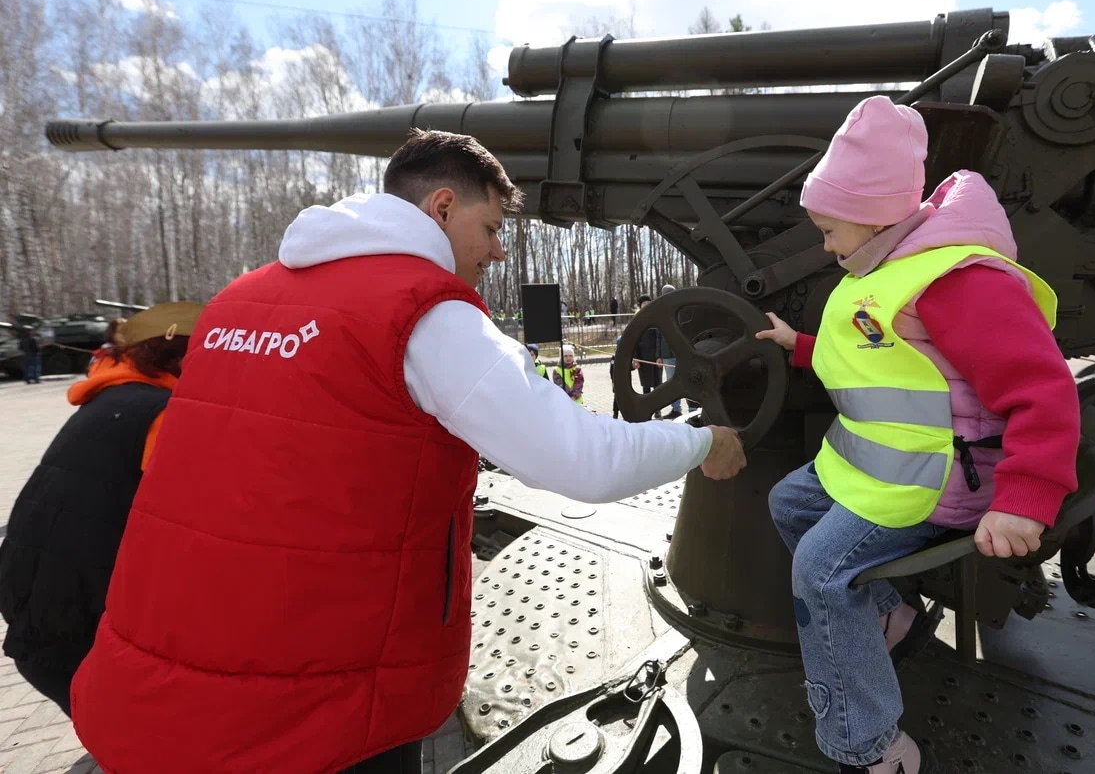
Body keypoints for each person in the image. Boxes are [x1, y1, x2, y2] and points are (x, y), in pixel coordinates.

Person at [69, 129, 747, 774]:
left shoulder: (234, 303)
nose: (498, 253)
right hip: (317, 713)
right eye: (490, 228)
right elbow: (580, 457)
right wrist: (699, 441)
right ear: (442, 206)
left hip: (157, 689)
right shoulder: (424, 314)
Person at [754, 96, 1080, 774]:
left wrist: (1024, 497)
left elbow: (1043, 389)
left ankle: (869, 745)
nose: (825, 246)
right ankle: (888, 618)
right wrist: (799, 344)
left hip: (941, 485)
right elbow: (877, 352)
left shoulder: (956, 280)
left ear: (873, 219)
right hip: (891, 474)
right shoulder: (890, 272)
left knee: (819, 570)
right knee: (790, 501)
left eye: (829, 230)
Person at [0, 301, 204, 718]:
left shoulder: (115, 397)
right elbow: (193, 526)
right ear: (182, 357)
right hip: (84, 634)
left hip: (36, 609)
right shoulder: (162, 414)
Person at [655, 283, 682, 418]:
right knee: (672, 382)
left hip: (682, 353)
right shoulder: (661, 312)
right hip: (667, 353)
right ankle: (676, 409)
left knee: (687, 378)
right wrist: (658, 355)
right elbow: (659, 336)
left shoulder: (681, 310)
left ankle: (693, 406)